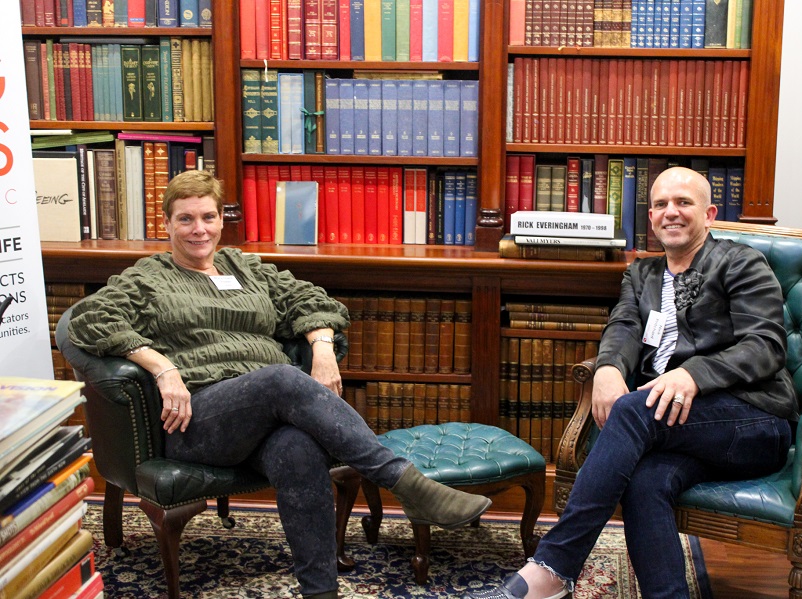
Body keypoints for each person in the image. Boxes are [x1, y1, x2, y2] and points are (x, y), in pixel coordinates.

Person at [67, 169, 491, 599]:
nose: (199, 230)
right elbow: (88, 320)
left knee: (298, 448)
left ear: (221, 220)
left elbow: (310, 299)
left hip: (268, 411)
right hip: (200, 420)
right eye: (186, 219)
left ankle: (320, 592)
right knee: (282, 378)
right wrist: (161, 366)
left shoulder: (244, 267)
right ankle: (403, 482)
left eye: (209, 217)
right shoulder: (147, 278)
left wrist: (322, 350)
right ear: (167, 223)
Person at [466, 166, 798, 599]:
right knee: (645, 482)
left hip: (754, 421)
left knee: (632, 411)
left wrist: (693, 374)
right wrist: (608, 368)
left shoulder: (741, 262)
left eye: (683, 202)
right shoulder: (642, 274)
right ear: (651, 216)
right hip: (679, 426)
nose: (670, 212)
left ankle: (553, 569)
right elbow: (623, 326)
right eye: (661, 204)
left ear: (710, 214)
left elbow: (765, 345)